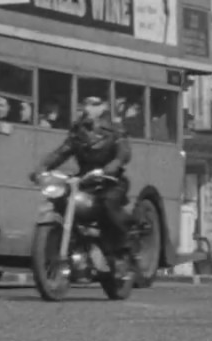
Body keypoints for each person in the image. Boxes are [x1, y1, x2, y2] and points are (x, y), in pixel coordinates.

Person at [29, 96, 134, 274]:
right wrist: (42, 168)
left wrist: (113, 166)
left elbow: (124, 153)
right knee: (61, 199)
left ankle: (121, 250)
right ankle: (72, 245)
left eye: (94, 104)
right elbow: (61, 152)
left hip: (111, 181)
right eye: (85, 104)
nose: (88, 108)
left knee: (108, 204)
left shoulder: (115, 129)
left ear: (104, 107)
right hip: (86, 180)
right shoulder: (78, 130)